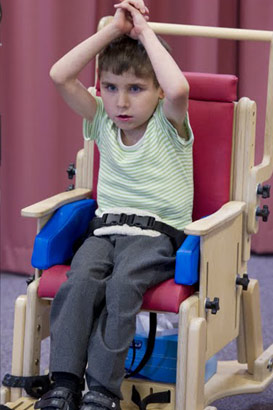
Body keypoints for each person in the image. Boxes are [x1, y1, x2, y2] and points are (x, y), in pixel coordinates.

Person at [35, 1, 193, 410]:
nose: (121, 102)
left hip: (155, 236)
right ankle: (64, 384)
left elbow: (178, 88)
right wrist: (113, 30)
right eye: (110, 87)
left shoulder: (168, 122)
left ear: (156, 91)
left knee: (123, 288)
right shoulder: (102, 121)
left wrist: (142, 31)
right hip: (104, 231)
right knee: (79, 282)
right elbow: (59, 75)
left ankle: (101, 391)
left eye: (135, 89)